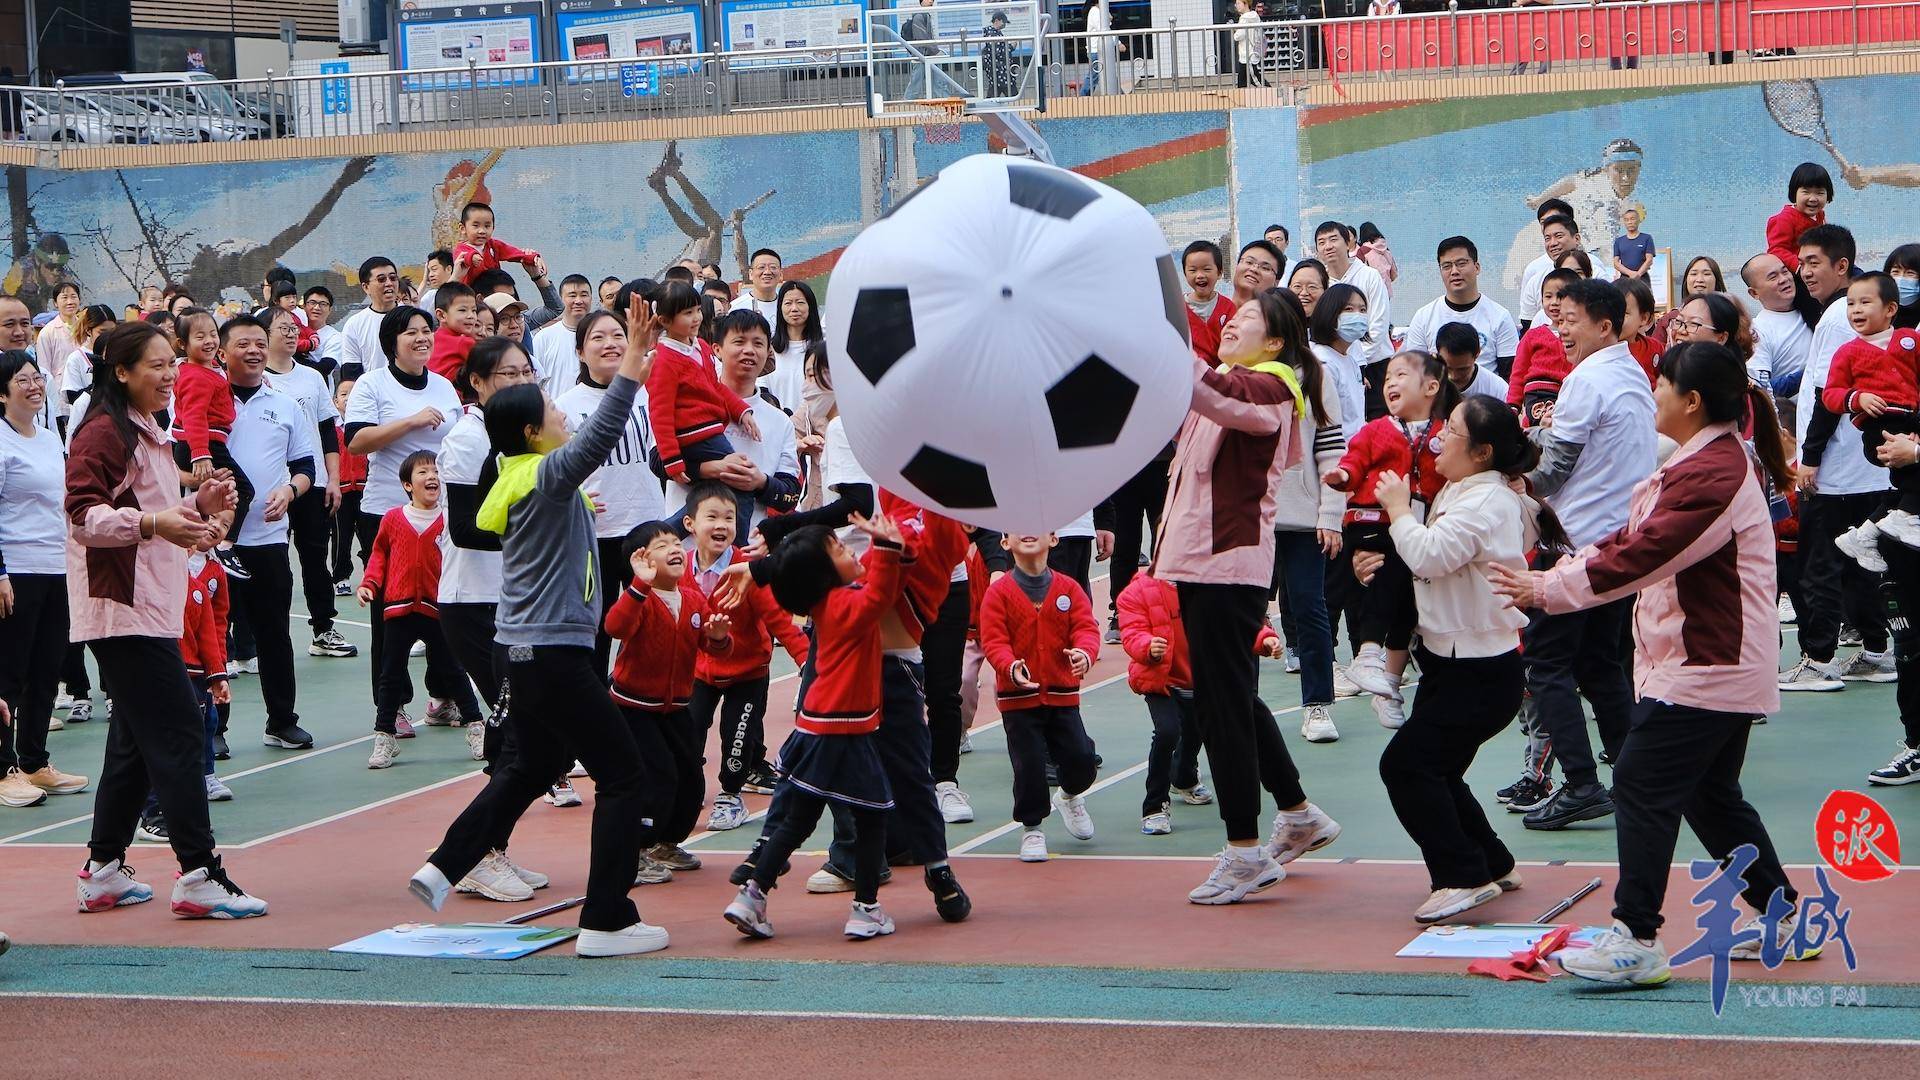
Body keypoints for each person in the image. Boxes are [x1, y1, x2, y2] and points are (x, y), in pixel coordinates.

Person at [1492, 342, 1809, 985]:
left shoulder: (1714, 471)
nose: (1652, 394)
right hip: (1707, 658)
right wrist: (1561, 570)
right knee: (1709, 795)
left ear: (1691, 402)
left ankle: (1636, 935)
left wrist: (1552, 589)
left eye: (1660, 384)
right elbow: (1630, 539)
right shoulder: (1700, 461)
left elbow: (1646, 555)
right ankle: (1783, 917)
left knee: (1639, 778)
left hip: (1708, 663)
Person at [410, 296, 671, 958]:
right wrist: (635, 360)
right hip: (552, 655)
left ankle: (446, 861)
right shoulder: (548, 476)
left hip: (519, 650)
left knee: (536, 764)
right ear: (533, 434)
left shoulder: (515, 473)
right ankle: (607, 920)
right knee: (622, 774)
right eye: (552, 412)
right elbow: (603, 431)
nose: (560, 412)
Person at [66, 322, 268, 919]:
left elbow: (145, 513)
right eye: (155, 365)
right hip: (119, 609)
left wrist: (192, 510)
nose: (169, 375)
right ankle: (199, 873)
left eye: (171, 364)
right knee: (180, 731)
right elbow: (83, 517)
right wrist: (158, 525)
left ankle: (102, 871)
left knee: (132, 742)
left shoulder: (146, 430)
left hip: (151, 603)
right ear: (121, 371)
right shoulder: (103, 432)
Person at [1155, 289, 1341, 904]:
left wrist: (1165, 335)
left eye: (1246, 319)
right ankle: (1296, 811)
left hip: (1226, 565)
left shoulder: (1272, 384)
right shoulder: (1234, 382)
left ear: (1277, 340)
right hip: (1200, 561)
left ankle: (1243, 851)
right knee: (1230, 694)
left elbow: (1213, 392)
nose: (1231, 323)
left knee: (1222, 706)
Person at [1376, 394, 1556, 923]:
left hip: (1476, 672)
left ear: (1481, 453)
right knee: (1440, 768)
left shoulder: (1486, 502)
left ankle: (1461, 875)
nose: (1436, 440)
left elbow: (1431, 554)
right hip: (1455, 661)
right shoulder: (1472, 489)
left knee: (1406, 767)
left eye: (1449, 432)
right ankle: (1493, 862)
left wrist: (1397, 509)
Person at [1512, 279, 1656, 831]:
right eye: (1557, 317)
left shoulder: (1587, 380)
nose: (1560, 328)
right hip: (1618, 543)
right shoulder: (1631, 374)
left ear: (1604, 325)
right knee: (1599, 664)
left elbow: (1551, 474)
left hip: (1574, 546)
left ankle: (1580, 783)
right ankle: (1629, 773)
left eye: (1570, 319)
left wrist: (1505, 467)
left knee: (1546, 664)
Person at [343, 307, 464, 737]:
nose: (421, 338)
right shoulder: (372, 385)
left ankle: (444, 695)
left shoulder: (446, 386)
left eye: (426, 330)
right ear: (391, 342)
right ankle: (392, 704)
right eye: (410, 332)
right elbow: (356, 442)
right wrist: (409, 422)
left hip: (441, 518)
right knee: (391, 616)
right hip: (388, 514)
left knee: (443, 608)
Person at [1324, 350, 1460, 730]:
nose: (1391, 384)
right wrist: (1342, 478)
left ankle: (1389, 686)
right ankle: (1368, 654)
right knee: (1389, 578)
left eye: (1401, 375)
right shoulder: (1376, 429)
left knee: (1407, 603)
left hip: (1416, 524)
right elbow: (1354, 462)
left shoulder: (1445, 433)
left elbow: (1451, 478)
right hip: (1373, 519)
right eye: (1387, 379)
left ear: (1432, 387)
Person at [1789, 223, 1892, 692]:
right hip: (1867, 470)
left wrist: (1809, 460)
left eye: (1813, 263)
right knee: (1859, 563)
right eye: (1801, 262)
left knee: (1820, 566)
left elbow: (1828, 397)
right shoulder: (1858, 319)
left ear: (1842, 266)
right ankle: (1876, 650)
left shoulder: (1836, 317)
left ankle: (1820, 660)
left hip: (1834, 472)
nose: (1803, 271)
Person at [607, 515, 735, 881]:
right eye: (661, 546)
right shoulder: (639, 600)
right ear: (641, 562)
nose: (675, 549)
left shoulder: (694, 600)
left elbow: (718, 650)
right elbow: (615, 627)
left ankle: (666, 841)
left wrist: (719, 637)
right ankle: (636, 849)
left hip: (677, 706)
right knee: (656, 776)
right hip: (634, 707)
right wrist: (637, 588)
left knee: (691, 778)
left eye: (676, 543)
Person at [220, 314, 319, 751]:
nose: (255, 350)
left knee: (275, 633)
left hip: (269, 539)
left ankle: (282, 720)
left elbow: (305, 467)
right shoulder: (202, 400)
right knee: (214, 638)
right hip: (214, 543)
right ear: (222, 352)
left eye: (260, 342)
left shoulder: (284, 404)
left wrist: (289, 491)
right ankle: (214, 729)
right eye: (244, 343)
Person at [689, 483, 809, 832]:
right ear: (690, 525)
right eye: (711, 517)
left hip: (747, 671)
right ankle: (690, 787)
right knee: (688, 732)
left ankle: (730, 796)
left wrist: (807, 663)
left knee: (737, 736)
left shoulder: (748, 571)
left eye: (730, 517)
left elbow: (780, 621)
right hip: (701, 671)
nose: (722, 525)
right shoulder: (682, 572)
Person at [555, 309, 667, 678]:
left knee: (651, 620)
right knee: (599, 625)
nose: (610, 344)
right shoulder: (565, 407)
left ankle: (640, 696)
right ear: (580, 352)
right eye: (597, 338)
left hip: (646, 525)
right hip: (596, 532)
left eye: (618, 335)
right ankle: (595, 703)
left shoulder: (647, 393)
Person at [0, 352, 89, 808]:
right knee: (8, 674)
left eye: (37, 378)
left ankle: (34, 761)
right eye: (23, 380)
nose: (35, 386)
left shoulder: (50, 437)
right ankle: (4, 768)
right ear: (3, 392)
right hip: (15, 570)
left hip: (57, 567)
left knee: (45, 669)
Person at [980, 532, 1103, 862]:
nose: (1027, 530)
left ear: (1053, 538)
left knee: (1081, 759)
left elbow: (1086, 628)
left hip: (1063, 694)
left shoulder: (1068, 588)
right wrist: (1009, 666)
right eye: (1017, 527)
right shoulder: (999, 592)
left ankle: (1070, 795)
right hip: (1018, 700)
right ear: (1005, 542)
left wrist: (1084, 653)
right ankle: (1032, 828)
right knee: (1029, 765)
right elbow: (994, 640)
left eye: (1036, 525)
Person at [1117, 571, 1271, 834]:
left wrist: (1265, 639)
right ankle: (1155, 806)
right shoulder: (1138, 591)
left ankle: (1184, 778)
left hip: (1203, 679)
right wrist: (1147, 645)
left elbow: (1241, 622)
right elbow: (1131, 631)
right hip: (1161, 680)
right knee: (1167, 732)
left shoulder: (1214, 584)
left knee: (1196, 732)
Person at [358, 451, 481, 768]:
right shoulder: (393, 519)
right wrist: (370, 583)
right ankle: (384, 737)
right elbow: (379, 555)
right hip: (398, 607)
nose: (432, 477)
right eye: (423, 472)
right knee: (391, 674)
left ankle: (477, 727)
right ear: (407, 484)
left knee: (453, 670)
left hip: (438, 607)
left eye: (435, 472)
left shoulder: (450, 518)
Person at [260, 307, 353, 661]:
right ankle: (267, 635)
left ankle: (323, 629)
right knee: (273, 561)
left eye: (293, 327)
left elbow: (328, 431)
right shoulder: (256, 380)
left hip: (312, 484)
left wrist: (333, 479)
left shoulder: (312, 377)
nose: (290, 333)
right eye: (282, 327)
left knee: (315, 558)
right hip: (271, 486)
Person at [1825, 276, 1919, 573]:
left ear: (1891, 308)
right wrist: (1857, 398)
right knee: (1912, 479)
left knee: (1905, 486)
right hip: (1880, 425)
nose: (1856, 310)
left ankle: (1865, 535)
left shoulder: (1909, 339)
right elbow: (1830, 395)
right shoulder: (1847, 352)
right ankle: (1903, 518)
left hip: (1911, 419)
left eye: (1865, 302)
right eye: (1851, 303)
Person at [648, 281, 760, 522]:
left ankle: (671, 531)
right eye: (687, 313)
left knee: (708, 497)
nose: (696, 317)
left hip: (709, 432)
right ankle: (736, 548)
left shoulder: (700, 346)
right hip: (697, 436)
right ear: (665, 320)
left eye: (697, 310)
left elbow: (716, 386)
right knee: (741, 487)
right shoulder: (663, 359)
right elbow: (660, 412)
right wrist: (673, 460)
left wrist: (741, 411)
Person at [171, 308, 254, 582]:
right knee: (242, 489)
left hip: (208, 443)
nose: (209, 341)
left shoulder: (205, 370)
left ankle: (209, 545)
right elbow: (194, 416)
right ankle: (225, 546)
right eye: (199, 336)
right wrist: (200, 454)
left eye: (212, 334)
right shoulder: (194, 375)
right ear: (183, 344)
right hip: (204, 443)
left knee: (218, 494)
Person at [1402, 236, 1519, 378]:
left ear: (1477, 267)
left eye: (1461, 263)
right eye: (1447, 266)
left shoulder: (1500, 316)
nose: (1454, 271)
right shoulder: (1423, 317)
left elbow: (1511, 376)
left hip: (1486, 399)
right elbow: (1415, 372)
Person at [1742, 253, 1814, 415]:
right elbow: (1759, 389)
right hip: (1796, 423)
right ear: (1754, 293)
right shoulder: (1758, 331)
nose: (1784, 279)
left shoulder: (1813, 308)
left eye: (1785, 271)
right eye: (1773, 277)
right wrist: (1813, 371)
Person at [1315, 222, 1393, 364]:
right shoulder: (1320, 283)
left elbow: (1379, 325)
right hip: (1335, 365)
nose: (1328, 246)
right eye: (1321, 242)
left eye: (1333, 239)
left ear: (1347, 244)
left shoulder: (1370, 276)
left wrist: (1355, 360)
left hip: (1375, 364)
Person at [1513, 198, 1578, 330]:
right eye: (1548, 237)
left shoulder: (1596, 269)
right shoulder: (1534, 273)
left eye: (1558, 235)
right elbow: (1528, 325)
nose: (1553, 243)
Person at [531, 275, 595, 400]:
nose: (578, 300)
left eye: (584, 295)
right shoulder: (544, 337)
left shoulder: (601, 336)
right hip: (556, 416)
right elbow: (535, 382)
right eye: (572, 295)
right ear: (561, 299)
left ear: (591, 298)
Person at [337, 257, 402, 381]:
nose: (389, 283)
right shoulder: (354, 324)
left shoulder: (412, 318)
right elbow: (351, 370)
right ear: (366, 287)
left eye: (393, 278)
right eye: (381, 279)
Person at [329, 377, 366, 594]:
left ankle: (372, 574)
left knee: (368, 535)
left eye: (354, 393)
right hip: (341, 491)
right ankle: (341, 576)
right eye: (344, 394)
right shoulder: (332, 431)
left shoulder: (368, 427)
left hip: (364, 489)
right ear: (335, 401)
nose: (349, 398)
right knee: (342, 537)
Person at [452, 202, 544, 287]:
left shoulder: (493, 245)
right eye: (476, 226)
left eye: (487, 226)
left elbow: (514, 253)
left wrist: (533, 258)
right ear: (463, 228)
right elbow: (465, 258)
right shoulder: (461, 249)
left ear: (493, 228)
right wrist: (471, 257)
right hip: (472, 295)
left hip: (495, 291)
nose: (482, 231)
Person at [1766, 162, 1833, 272]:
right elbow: (1777, 250)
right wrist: (1799, 267)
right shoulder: (1784, 219)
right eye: (1806, 192)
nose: (1813, 198)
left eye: (1820, 193)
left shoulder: (1820, 214)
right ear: (1794, 193)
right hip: (1797, 273)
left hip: (1817, 268)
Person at [766, 280, 821, 414]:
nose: (794, 308)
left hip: (815, 428)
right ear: (780, 308)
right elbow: (761, 389)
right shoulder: (768, 349)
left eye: (800, 302)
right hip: (778, 425)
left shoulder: (824, 350)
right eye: (788, 303)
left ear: (810, 306)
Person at [1436, 322, 1509, 401]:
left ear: (1477, 354)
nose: (1453, 376)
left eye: (1462, 369)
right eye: (1448, 368)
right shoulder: (1426, 381)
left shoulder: (1498, 389)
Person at [428, 282, 482, 381]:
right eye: (462, 310)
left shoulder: (431, 338)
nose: (471, 316)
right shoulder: (463, 342)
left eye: (474, 310)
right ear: (441, 315)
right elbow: (487, 367)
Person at [730, 249, 783, 324]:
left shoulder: (788, 306)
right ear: (751, 274)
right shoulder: (735, 308)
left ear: (781, 274)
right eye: (761, 267)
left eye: (773, 267)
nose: (767, 272)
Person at [1612, 208, 1655, 280]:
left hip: (1642, 278)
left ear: (1638, 220)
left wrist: (1638, 274)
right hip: (1624, 279)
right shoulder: (1619, 241)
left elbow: (1649, 260)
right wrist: (1630, 273)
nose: (1630, 222)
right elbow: (1616, 263)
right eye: (1626, 220)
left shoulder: (1647, 238)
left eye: (1632, 219)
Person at [1233, 0, 1266, 88]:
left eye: (1238, 3)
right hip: (1249, 53)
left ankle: (1273, 95)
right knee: (1243, 81)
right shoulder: (1253, 16)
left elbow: (1239, 36)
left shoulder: (1245, 18)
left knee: (1255, 78)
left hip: (1248, 54)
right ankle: (1241, 100)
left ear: (1245, 4)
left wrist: (1235, 32)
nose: (1236, 6)